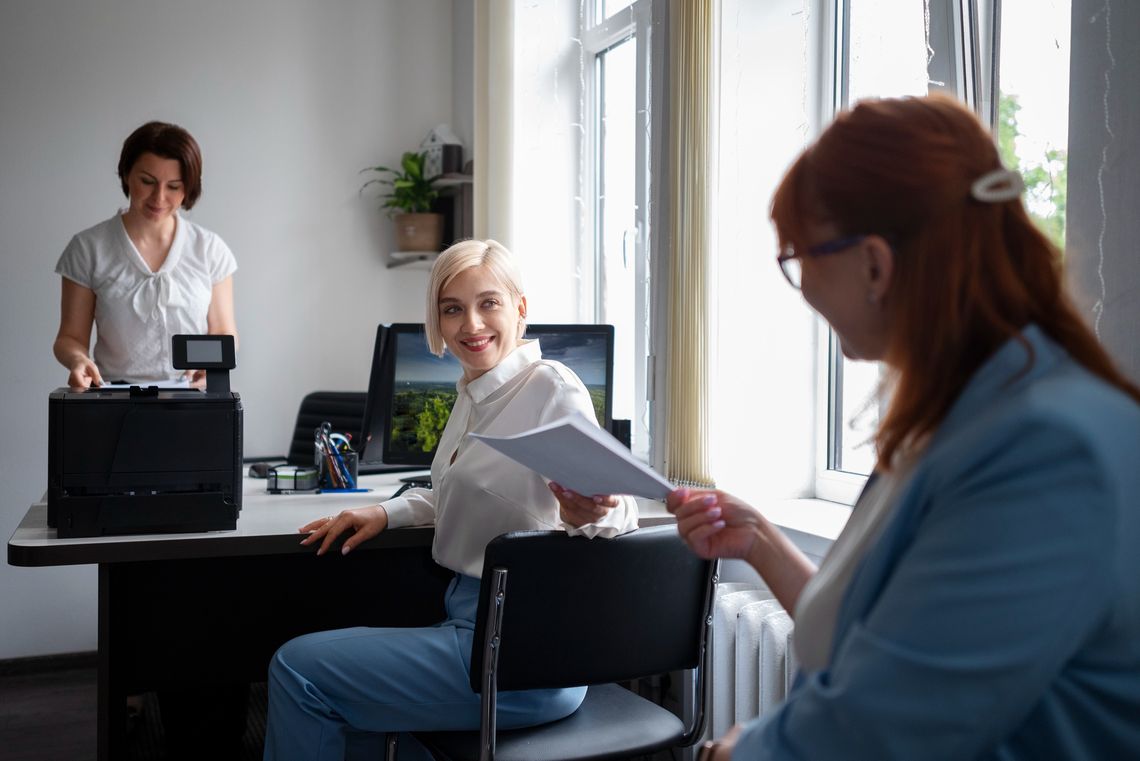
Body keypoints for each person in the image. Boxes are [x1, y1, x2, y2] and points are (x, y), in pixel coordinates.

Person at [672, 95, 1140, 760]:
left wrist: (732, 753)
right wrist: (763, 543)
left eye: (801, 258)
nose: (801, 287)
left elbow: (887, 728)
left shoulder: (1043, 450)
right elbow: (894, 639)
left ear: (874, 264)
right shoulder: (960, 414)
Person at [263, 239, 639, 761]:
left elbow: (617, 508)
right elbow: (456, 492)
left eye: (489, 303)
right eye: (452, 309)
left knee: (297, 668)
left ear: (521, 309)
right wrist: (384, 511)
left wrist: (594, 510)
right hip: (477, 625)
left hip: (521, 651)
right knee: (357, 705)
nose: (471, 324)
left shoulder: (549, 386)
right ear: (436, 321)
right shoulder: (473, 393)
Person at [53, 120, 237, 388]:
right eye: (147, 182)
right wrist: (77, 359)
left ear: (189, 187)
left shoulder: (210, 249)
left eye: (173, 186)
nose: (159, 198)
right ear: (127, 174)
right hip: (115, 399)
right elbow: (69, 337)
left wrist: (211, 366)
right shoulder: (88, 249)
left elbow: (224, 332)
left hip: (191, 399)